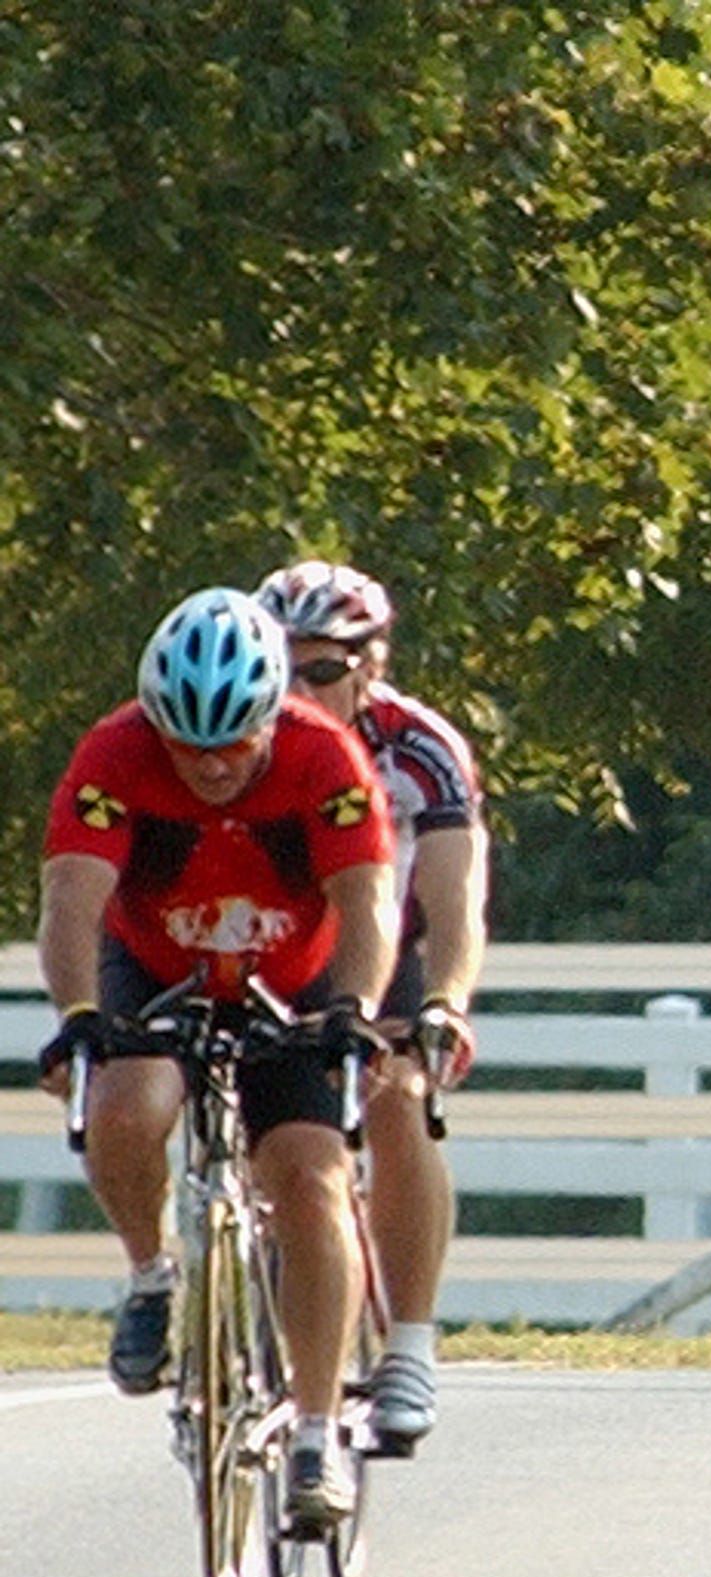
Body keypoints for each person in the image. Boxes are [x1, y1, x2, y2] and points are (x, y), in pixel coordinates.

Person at [37, 588, 398, 1527]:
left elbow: (368, 905)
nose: (209, 766)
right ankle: (153, 1275)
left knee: (311, 1179)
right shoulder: (114, 754)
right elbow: (73, 901)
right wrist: (79, 1012)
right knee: (123, 1107)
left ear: (272, 716)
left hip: (298, 978)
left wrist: (353, 1011)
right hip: (156, 965)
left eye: (234, 745)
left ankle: (316, 1436)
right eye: (187, 746)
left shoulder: (327, 753)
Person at [251, 561, 486, 1447]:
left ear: (370, 666)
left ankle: (411, 1346)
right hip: (267, 944)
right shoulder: (237, 736)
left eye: (320, 671)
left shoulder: (418, 747)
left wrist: (447, 1003)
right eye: (282, 669)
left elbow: (456, 900)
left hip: (382, 942)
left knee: (397, 1098)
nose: (296, 694)